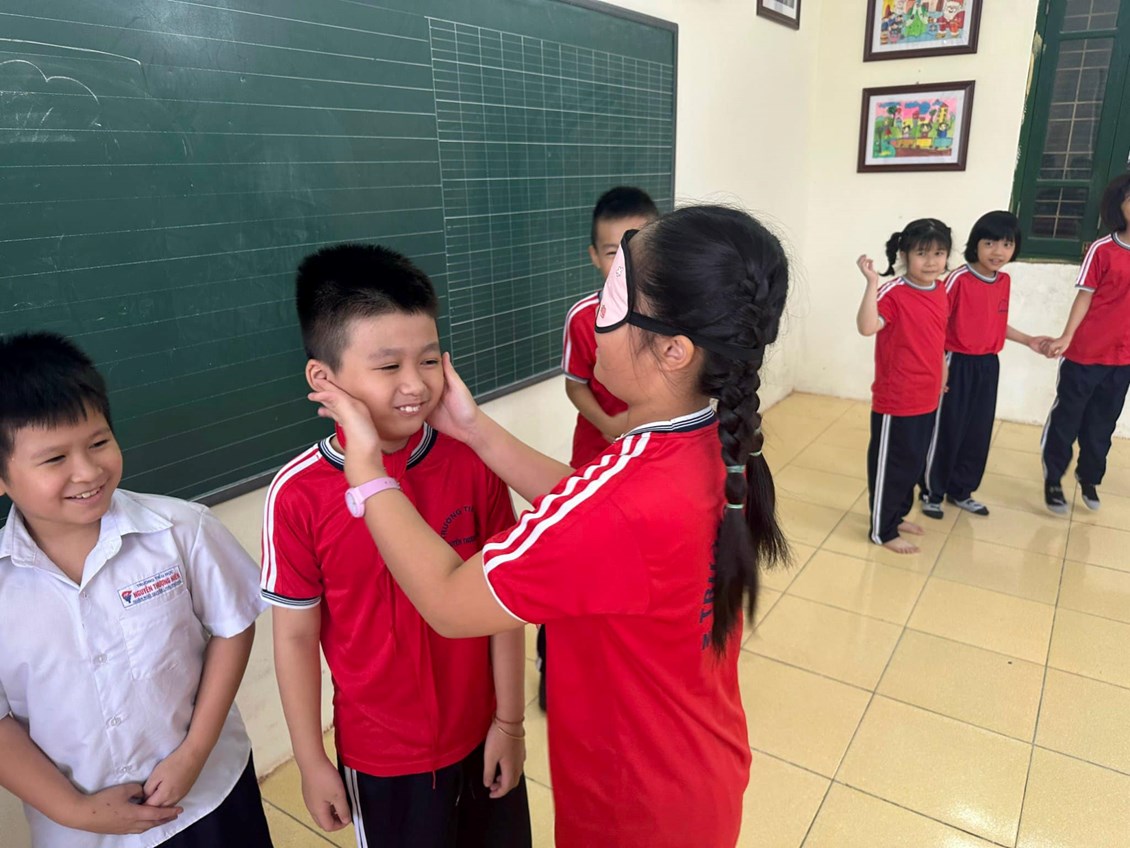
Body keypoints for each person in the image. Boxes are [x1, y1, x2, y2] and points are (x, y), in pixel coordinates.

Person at [307, 205, 791, 848]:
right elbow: (584, 508)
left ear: (674, 350)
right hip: (698, 770)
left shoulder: (624, 502)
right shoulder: (709, 446)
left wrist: (368, 473)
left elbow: (450, 602)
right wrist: (475, 430)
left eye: (612, 304)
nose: (591, 320)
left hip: (633, 809)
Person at [262, 244, 530, 848]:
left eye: (430, 359)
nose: (416, 384)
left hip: (481, 731)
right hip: (382, 758)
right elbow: (296, 637)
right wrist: (310, 760)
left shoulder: (471, 462)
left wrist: (510, 722)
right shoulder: (298, 494)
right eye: (388, 366)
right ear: (323, 379)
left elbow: (504, 606)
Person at [0, 332, 271, 848]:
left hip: (210, 794)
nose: (88, 471)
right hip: (82, 832)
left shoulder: (182, 529)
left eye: (98, 443)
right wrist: (73, 809)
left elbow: (233, 627)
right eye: (54, 459)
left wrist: (193, 753)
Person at [547, 186, 659, 710]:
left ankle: (623, 656)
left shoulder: (673, 312)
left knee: (633, 560)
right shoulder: (581, 317)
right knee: (581, 558)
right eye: (614, 250)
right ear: (594, 256)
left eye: (640, 246)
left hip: (651, 463)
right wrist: (610, 424)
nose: (627, 262)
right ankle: (556, 661)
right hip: (596, 454)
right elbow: (576, 386)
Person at [919, 211, 1051, 519]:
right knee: (947, 429)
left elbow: (996, 323)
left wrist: (1029, 340)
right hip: (955, 362)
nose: (998, 252)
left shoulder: (1003, 281)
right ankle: (932, 492)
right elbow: (935, 324)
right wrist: (939, 367)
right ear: (975, 244)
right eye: (989, 243)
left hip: (988, 365)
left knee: (977, 431)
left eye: (1006, 244)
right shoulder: (958, 280)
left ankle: (961, 490)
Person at [857, 218, 951, 554]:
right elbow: (867, 327)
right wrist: (872, 283)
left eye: (939, 254)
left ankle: (896, 517)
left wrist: (942, 376)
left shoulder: (940, 290)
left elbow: (938, 338)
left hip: (928, 395)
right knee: (891, 466)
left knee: (912, 464)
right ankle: (882, 531)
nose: (931, 262)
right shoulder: (892, 292)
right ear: (904, 255)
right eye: (922, 253)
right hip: (897, 399)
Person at [1041, 172, 1130, 514]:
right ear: (1119, 206)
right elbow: (1085, 296)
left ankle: (1089, 477)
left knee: (1103, 423)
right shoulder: (1102, 249)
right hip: (1085, 353)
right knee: (1067, 419)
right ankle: (1053, 479)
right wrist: (1066, 336)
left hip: (1122, 359)